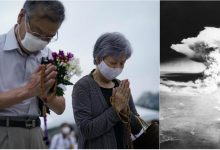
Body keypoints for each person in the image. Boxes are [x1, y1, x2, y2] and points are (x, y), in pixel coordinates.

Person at [0, 1, 65, 149]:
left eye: (48, 37)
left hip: (37, 132)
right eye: (36, 33)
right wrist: (28, 91)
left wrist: (46, 95)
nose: (41, 41)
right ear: (21, 16)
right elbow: (30, 90)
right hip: (4, 131)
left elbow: (60, 108)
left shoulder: (48, 55)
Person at [72, 32, 145, 149]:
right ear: (98, 58)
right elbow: (86, 130)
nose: (118, 68)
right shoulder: (83, 87)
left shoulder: (121, 86)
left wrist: (125, 112)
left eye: (122, 63)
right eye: (113, 63)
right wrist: (115, 110)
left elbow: (138, 128)